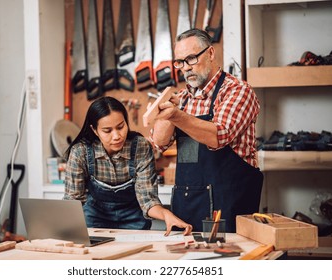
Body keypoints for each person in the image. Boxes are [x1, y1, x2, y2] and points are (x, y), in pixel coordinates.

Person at [150, 28, 263, 233]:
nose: (186, 68)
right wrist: (168, 113)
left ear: (210, 53)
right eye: (180, 62)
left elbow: (218, 136)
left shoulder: (238, 91)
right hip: (188, 208)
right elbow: (158, 142)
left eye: (191, 59)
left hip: (229, 206)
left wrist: (177, 116)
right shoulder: (182, 98)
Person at [63, 96, 192, 236]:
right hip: (94, 219)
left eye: (121, 127)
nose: (117, 136)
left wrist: (166, 214)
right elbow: (73, 200)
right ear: (95, 130)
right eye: (107, 131)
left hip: (133, 220)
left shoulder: (140, 147)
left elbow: (148, 200)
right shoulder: (80, 151)